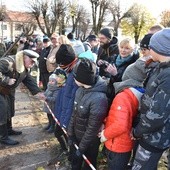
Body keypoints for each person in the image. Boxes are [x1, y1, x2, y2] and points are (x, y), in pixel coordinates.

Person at [132, 28, 170, 170]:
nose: (148, 50)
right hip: (148, 133)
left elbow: (157, 116)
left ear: (160, 50)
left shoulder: (167, 76)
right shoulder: (160, 67)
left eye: (151, 47)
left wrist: (137, 132)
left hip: (154, 138)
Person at [99, 57, 146, 169]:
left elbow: (120, 125)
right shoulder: (138, 95)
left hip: (117, 144)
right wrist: (105, 121)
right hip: (125, 143)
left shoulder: (123, 97)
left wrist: (104, 135)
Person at [67, 58, 108, 170]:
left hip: (89, 143)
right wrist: (70, 134)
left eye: (75, 76)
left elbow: (92, 128)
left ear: (82, 79)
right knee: (75, 164)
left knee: (88, 165)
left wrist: (81, 148)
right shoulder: (80, 90)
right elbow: (74, 114)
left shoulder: (99, 99)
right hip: (77, 137)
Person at [0, 49, 43, 145]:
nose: (33, 64)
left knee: (10, 109)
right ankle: (3, 137)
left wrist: (38, 92)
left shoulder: (24, 66)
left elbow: (28, 79)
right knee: (2, 111)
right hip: (2, 89)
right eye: (31, 61)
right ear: (24, 58)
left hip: (8, 90)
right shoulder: (8, 62)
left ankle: (8, 129)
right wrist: (6, 80)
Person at [54, 44, 79, 155]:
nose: (61, 68)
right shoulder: (68, 73)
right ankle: (66, 151)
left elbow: (72, 99)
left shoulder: (78, 74)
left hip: (71, 115)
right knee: (59, 133)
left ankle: (70, 154)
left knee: (69, 138)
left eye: (63, 66)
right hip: (62, 110)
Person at [43, 68, 66, 133]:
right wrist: (43, 95)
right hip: (48, 105)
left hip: (53, 106)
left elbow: (54, 99)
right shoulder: (49, 87)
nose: (50, 82)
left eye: (52, 81)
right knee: (48, 115)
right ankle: (49, 124)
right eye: (50, 81)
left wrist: (46, 98)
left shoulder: (57, 90)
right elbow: (46, 93)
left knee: (52, 117)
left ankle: (52, 126)